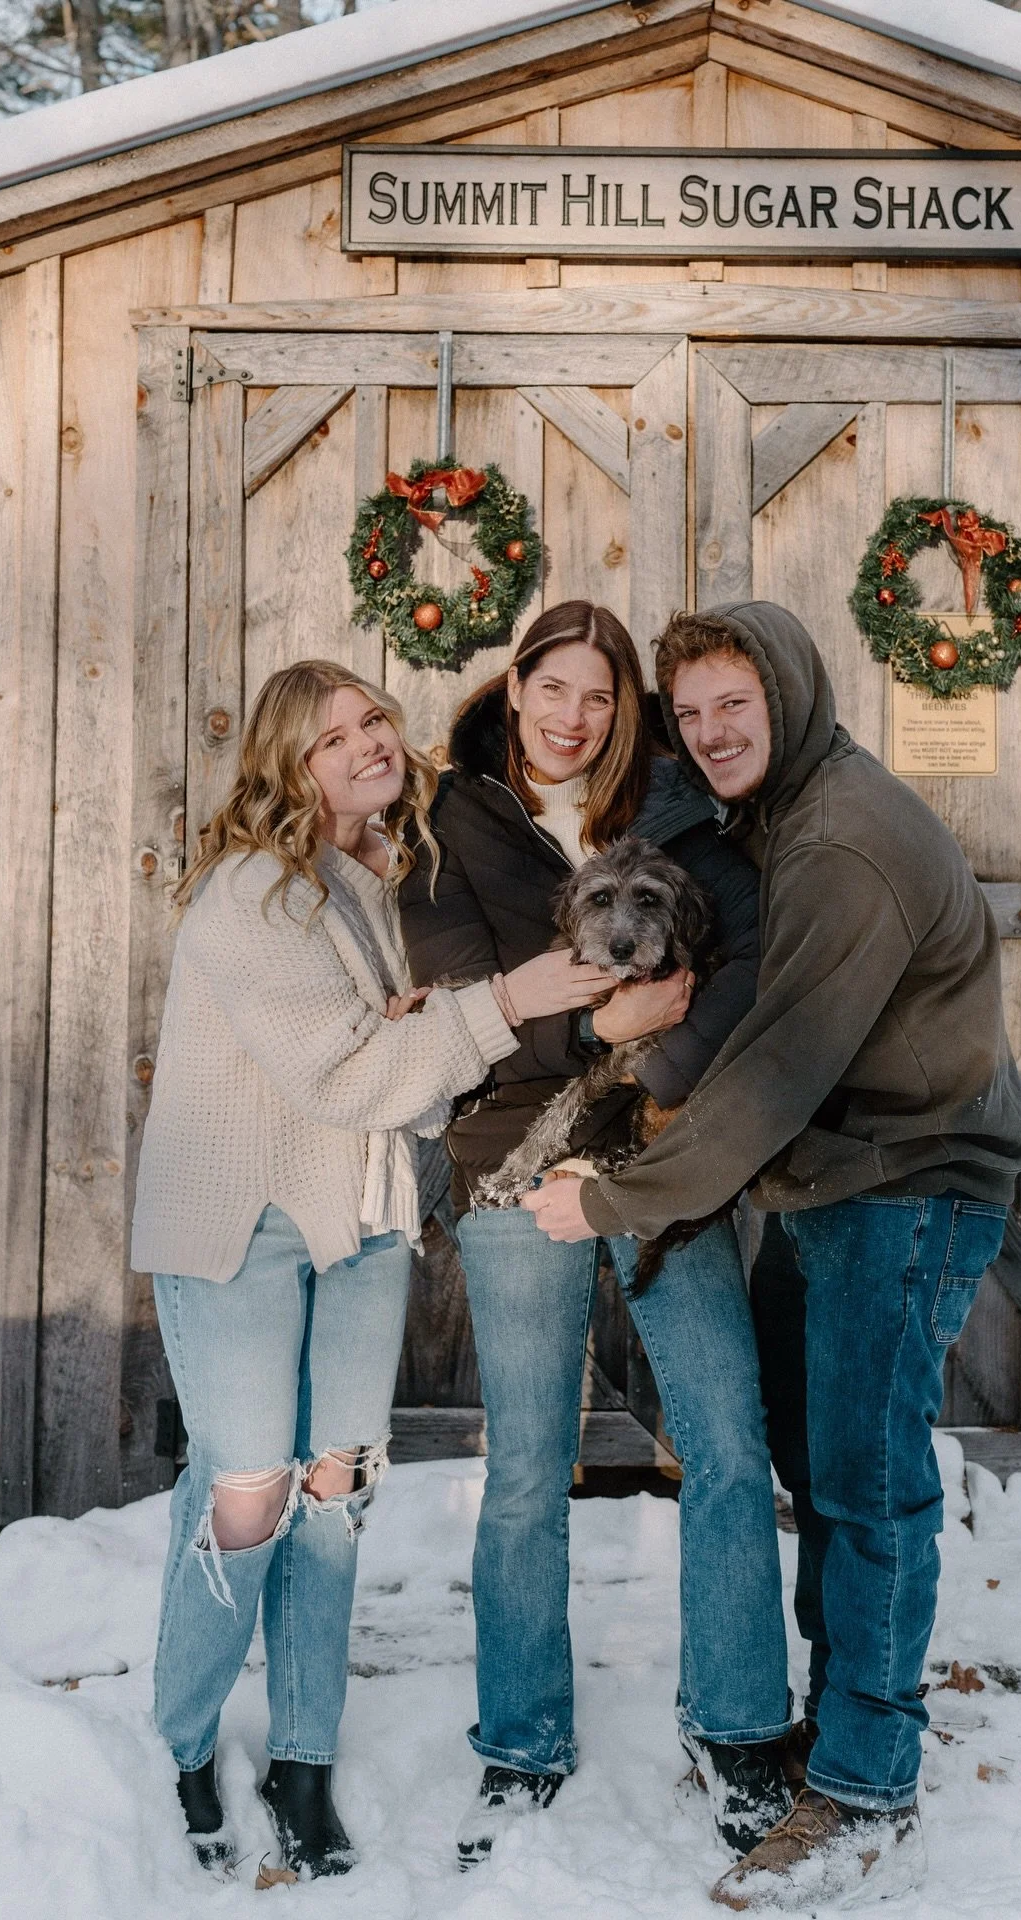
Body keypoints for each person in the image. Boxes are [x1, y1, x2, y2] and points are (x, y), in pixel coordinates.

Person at [523, 604, 1021, 1912]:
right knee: (822, 1462)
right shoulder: (769, 816)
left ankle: (865, 1785)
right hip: (834, 1178)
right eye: (689, 714)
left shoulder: (843, 845)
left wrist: (622, 1197)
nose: (708, 734)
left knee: (868, 1485)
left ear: (791, 697)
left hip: (906, 1182)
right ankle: (844, 1725)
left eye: (731, 708)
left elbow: (770, 1075)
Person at [130, 659, 612, 1880]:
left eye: (374, 722)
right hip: (244, 1224)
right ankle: (183, 1738)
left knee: (334, 1494)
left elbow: (378, 1052)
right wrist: (509, 1001)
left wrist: (411, 1028)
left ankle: (303, 1756)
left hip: (359, 1224)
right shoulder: (252, 892)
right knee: (248, 1495)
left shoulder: (371, 881)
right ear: (290, 766)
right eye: (331, 736)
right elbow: (343, 1076)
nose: (365, 745)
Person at [398, 602, 793, 1868]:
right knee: (525, 1471)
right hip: (515, 1159)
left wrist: (657, 1042)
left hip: (672, 1147)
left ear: (627, 709)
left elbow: (745, 952)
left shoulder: (675, 808)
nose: (574, 719)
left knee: (726, 1441)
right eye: (552, 689)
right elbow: (459, 1011)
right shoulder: (447, 822)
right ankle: (521, 1745)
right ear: (514, 688)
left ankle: (736, 1729)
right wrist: (603, 1030)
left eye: (601, 697)